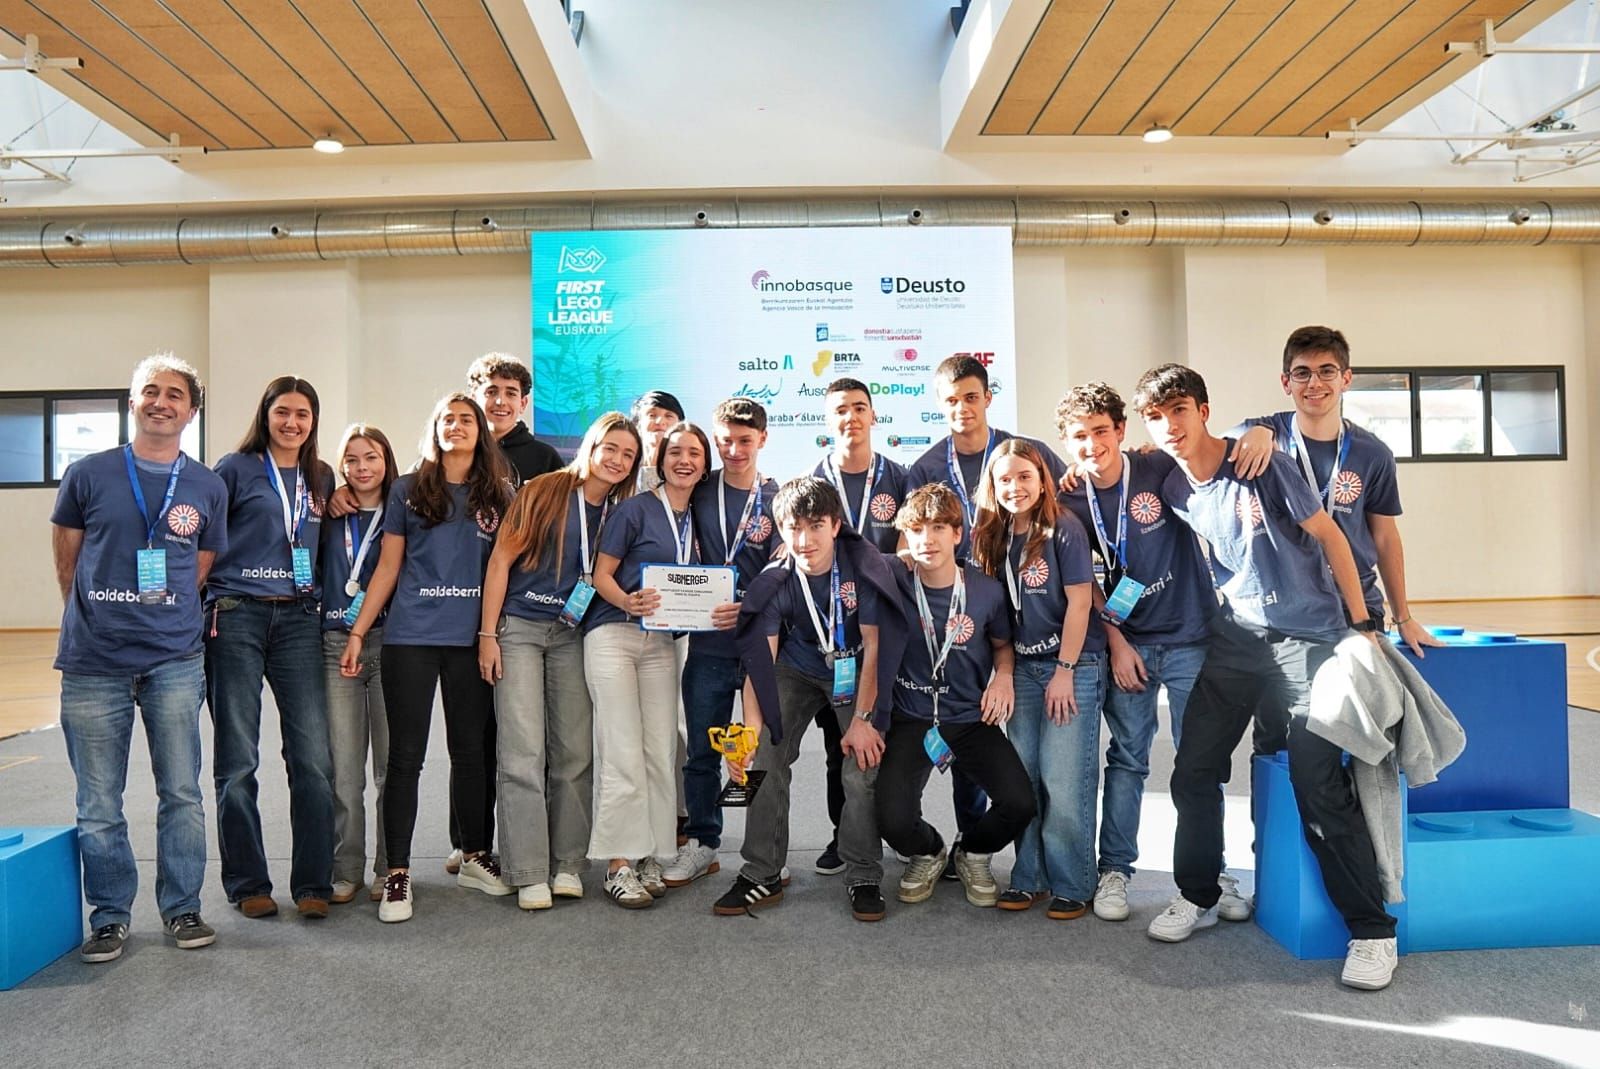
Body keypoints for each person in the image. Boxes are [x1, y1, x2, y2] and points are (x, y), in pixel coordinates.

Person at [1133, 363, 1401, 992]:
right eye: (1156, 416)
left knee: (1316, 779)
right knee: (1193, 769)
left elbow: (1331, 535)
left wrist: (1362, 623)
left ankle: (1372, 932)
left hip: (1308, 642)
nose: (1170, 426)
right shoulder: (1172, 484)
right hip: (1237, 641)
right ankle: (1199, 893)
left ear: (1203, 411)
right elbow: (1109, 469)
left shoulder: (1262, 461)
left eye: (1180, 410)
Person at [52, 353, 228, 962]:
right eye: (150, 391)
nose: (161, 402)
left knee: (181, 793)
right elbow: (68, 558)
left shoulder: (206, 485)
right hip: (93, 662)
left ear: (191, 411)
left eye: (175, 394)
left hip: (173, 661)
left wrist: (160, 614)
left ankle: (183, 908)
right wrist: (98, 613)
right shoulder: (88, 474)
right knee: (98, 803)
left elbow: (198, 566)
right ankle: (109, 916)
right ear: (133, 403)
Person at [341, 393, 515, 923]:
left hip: (471, 640)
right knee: (405, 757)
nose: (456, 426)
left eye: (466, 419)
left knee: (471, 752)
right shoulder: (408, 489)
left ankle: (475, 854)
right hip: (411, 638)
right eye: (447, 419)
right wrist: (358, 630)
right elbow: (388, 567)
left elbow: (502, 570)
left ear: (480, 431)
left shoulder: (500, 493)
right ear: (434, 429)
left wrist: (489, 634)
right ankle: (397, 872)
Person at [1055, 383, 1217, 922]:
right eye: (1079, 436)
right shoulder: (1067, 501)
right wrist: (1117, 642)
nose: (1092, 444)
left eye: (1101, 431)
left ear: (1122, 431)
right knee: (1127, 760)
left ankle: (1209, 874)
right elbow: (1084, 583)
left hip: (1190, 636)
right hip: (1129, 646)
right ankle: (1115, 871)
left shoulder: (1157, 467)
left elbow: (1208, 456)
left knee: (1198, 762)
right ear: (1066, 442)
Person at [902, 354, 1066, 871]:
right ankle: (968, 843)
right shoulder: (926, 467)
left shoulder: (1024, 453)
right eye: (951, 400)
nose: (963, 408)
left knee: (1006, 740)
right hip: (957, 615)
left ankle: (999, 851)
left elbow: (1071, 499)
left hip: (1022, 606)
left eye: (971, 397)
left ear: (988, 398)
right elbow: (911, 535)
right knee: (964, 723)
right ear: (939, 405)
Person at [715, 477, 905, 920]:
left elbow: (875, 647)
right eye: (794, 528)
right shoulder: (775, 580)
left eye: (816, 526)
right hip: (798, 667)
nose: (804, 540)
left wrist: (864, 719)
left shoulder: (864, 568)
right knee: (762, 757)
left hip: (857, 668)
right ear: (781, 530)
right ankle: (761, 872)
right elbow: (761, 665)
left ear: (836, 525)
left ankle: (863, 873)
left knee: (861, 764)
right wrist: (749, 732)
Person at [478, 413, 641, 911]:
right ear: (591, 445)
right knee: (522, 752)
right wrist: (488, 635)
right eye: (610, 448)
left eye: (628, 454)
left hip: (573, 633)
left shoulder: (622, 512)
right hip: (520, 630)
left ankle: (568, 863)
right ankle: (528, 870)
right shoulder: (544, 490)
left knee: (574, 751)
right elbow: (500, 561)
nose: (617, 460)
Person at [585, 422, 738, 908]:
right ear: (661, 459)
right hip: (614, 633)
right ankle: (618, 864)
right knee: (622, 749)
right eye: (675, 452)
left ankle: (652, 853)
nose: (684, 460)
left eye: (694, 453)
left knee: (659, 750)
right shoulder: (635, 509)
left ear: (705, 464)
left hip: (663, 644)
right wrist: (627, 601)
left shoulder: (701, 517)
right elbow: (600, 574)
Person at [205, 376, 337, 920]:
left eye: (303, 414)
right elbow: (206, 541)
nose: (292, 422)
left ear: (313, 421)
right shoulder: (234, 469)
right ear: (265, 415)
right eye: (283, 411)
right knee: (238, 759)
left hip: (300, 619)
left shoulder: (321, 476)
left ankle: (313, 882)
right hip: (237, 613)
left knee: (313, 759)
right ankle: (247, 882)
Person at [1227, 326, 1441, 658]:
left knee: (1372, 690)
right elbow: (1199, 453)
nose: (1314, 383)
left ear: (1346, 378)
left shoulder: (1373, 454)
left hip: (1355, 607)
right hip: (1290, 611)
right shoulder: (1258, 437)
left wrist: (1404, 617)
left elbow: (1385, 537)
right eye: (1302, 373)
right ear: (1286, 383)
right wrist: (1153, 453)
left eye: (1326, 371)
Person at [876, 484, 1035, 909]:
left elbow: (1002, 646)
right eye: (916, 530)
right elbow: (843, 552)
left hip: (969, 717)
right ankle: (930, 852)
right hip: (912, 717)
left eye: (938, 528)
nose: (927, 539)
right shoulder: (894, 578)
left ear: (957, 534)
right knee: (890, 818)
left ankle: (972, 851)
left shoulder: (986, 591)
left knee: (1020, 803)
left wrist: (1003, 676)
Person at [969, 439, 1100, 919]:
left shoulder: (1063, 527)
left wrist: (1064, 671)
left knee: (1064, 780)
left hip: (1072, 666)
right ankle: (1030, 877)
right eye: (1004, 479)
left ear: (1043, 480)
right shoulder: (992, 535)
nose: (1015, 487)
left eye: (1024, 476)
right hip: (1022, 668)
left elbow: (1081, 602)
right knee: (1024, 780)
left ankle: (1072, 883)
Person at [662, 399, 781, 888]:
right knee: (701, 751)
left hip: (760, 644)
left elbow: (785, 566)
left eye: (745, 441)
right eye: (726, 440)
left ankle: (765, 850)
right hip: (709, 642)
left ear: (763, 440)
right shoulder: (698, 489)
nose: (734, 450)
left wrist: (750, 601)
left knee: (761, 751)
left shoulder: (776, 496)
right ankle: (703, 842)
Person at [806, 378, 911, 875]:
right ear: (828, 421)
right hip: (835, 633)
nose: (851, 416)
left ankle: (903, 829)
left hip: (889, 627)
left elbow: (915, 542)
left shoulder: (899, 477)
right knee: (839, 744)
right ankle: (842, 835)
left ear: (873, 415)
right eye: (841, 410)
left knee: (894, 735)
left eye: (859, 407)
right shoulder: (812, 481)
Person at [318, 423, 398, 905]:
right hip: (335, 644)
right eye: (351, 459)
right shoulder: (330, 512)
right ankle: (346, 867)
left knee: (391, 767)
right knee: (345, 769)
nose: (361, 467)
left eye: (371, 457)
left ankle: (390, 867)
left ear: (387, 461)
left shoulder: (402, 511)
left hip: (391, 645)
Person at [468, 352, 563, 482]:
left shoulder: (545, 458)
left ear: (523, 404)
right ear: (473, 401)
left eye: (511, 394)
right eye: (491, 392)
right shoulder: (458, 451)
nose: (500, 402)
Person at [631, 390, 685, 493]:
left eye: (669, 416)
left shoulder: (686, 465)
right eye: (652, 415)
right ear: (637, 423)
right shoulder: (625, 463)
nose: (660, 422)